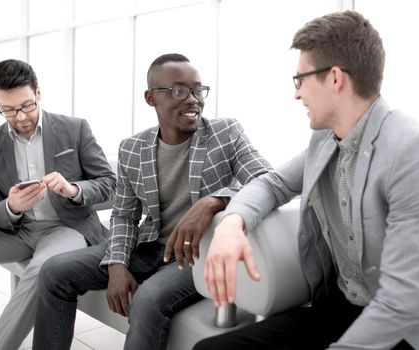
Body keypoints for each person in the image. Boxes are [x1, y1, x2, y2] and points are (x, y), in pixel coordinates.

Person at [197, 11, 419, 350]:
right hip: (341, 308)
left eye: (300, 79)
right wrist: (232, 224)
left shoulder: (415, 151)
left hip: (407, 329)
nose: (297, 94)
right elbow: (272, 184)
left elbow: (401, 302)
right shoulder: (325, 141)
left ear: (335, 78)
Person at [31, 53, 272, 350]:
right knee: (54, 272)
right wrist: (117, 264)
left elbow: (266, 179)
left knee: (147, 299)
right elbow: (124, 216)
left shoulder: (225, 133)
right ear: (150, 98)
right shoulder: (133, 148)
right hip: (149, 248)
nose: (193, 99)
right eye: (179, 91)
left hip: (196, 255)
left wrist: (214, 201)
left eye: (198, 90)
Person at [0, 59, 117, 350]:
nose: (21, 116)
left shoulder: (74, 129)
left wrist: (73, 189)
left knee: (43, 269)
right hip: (16, 230)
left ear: (38, 93)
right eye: (9, 110)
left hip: (67, 228)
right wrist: (10, 207)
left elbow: (109, 183)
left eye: (26, 105)